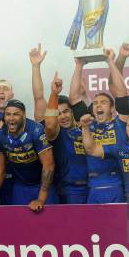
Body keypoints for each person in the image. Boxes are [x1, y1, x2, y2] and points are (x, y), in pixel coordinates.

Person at [30, 44, 88, 204]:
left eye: (66, 111)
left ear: (72, 112)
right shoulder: (54, 133)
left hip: (90, 190)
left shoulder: (84, 130)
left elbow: (76, 97)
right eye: (59, 113)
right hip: (67, 191)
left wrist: (79, 65)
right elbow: (39, 97)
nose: (62, 116)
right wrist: (36, 66)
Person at [69, 56, 126, 204]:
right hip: (93, 188)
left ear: (112, 108)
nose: (98, 105)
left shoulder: (120, 123)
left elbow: (121, 94)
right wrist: (79, 65)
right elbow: (74, 98)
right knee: (93, 228)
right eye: (95, 103)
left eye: (103, 103)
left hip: (117, 186)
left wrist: (110, 62)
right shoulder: (88, 122)